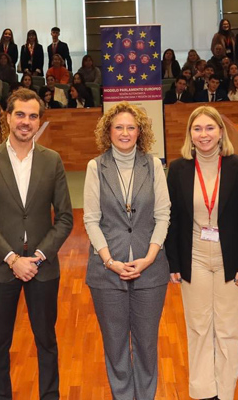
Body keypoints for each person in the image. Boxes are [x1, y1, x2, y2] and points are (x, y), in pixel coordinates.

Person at [0, 88, 74, 400]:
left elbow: (66, 217)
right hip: (1, 268)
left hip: (43, 267)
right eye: (20, 115)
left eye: (32, 116)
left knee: (46, 340)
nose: (26, 122)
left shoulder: (52, 160)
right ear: (7, 117)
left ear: (39, 120)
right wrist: (13, 258)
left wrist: (39, 256)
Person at [83, 103, 171, 400]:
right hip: (107, 271)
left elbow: (163, 214)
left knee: (146, 343)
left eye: (131, 127)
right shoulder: (96, 167)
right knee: (116, 343)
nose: (124, 132)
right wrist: (109, 261)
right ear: (108, 131)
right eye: (118, 127)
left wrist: (149, 258)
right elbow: (91, 219)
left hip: (151, 271)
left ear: (140, 131)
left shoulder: (154, 165)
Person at [166, 106, 238, 400]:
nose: (204, 135)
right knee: (199, 328)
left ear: (220, 132)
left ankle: (225, 392)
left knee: (229, 330)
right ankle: (203, 394)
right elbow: (173, 218)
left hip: (231, 259)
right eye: (197, 129)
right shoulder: (178, 169)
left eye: (209, 128)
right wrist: (173, 262)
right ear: (190, 134)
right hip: (195, 257)